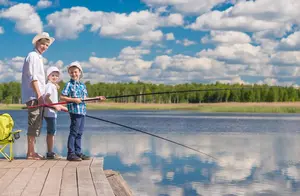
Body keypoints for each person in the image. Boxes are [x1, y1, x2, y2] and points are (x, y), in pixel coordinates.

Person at [60, 61, 106, 161]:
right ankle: (70, 153)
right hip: (74, 112)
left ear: (80, 72)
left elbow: (86, 99)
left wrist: (97, 98)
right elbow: (62, 97)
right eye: (71, 72)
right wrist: (74, 100)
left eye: (75, 72)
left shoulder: (82, 86)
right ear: (69, 73)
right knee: (74, 132)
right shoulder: (69, 85)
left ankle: (78, 152)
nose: (74, 74)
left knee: (80, 133)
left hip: (82, 112)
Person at [21, 32, 55, 160]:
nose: (45, 47)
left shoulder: (38, 57)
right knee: (34, 123)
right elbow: (33, 78)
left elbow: (40, 80)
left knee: (36, 124)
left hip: (37, 96)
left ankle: (32, 151)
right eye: (43, 44)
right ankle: (30, 153)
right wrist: (39, 96)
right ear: (37, 43)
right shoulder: (33, 56)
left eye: (47, 45)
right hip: (33, 96)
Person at [43, 66, 68, 159]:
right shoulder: (50, 86)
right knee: (51, 133)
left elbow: (56, 104)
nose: (55, 77)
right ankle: (50, 153)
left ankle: (50, 152)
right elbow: (46, 98)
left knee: (51, 132)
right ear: (48, 76)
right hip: (50, 113)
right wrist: (54, 106)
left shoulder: (52, 86)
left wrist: (67, 109)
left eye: (56, 76)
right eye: (52, 75)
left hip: (52, 112)